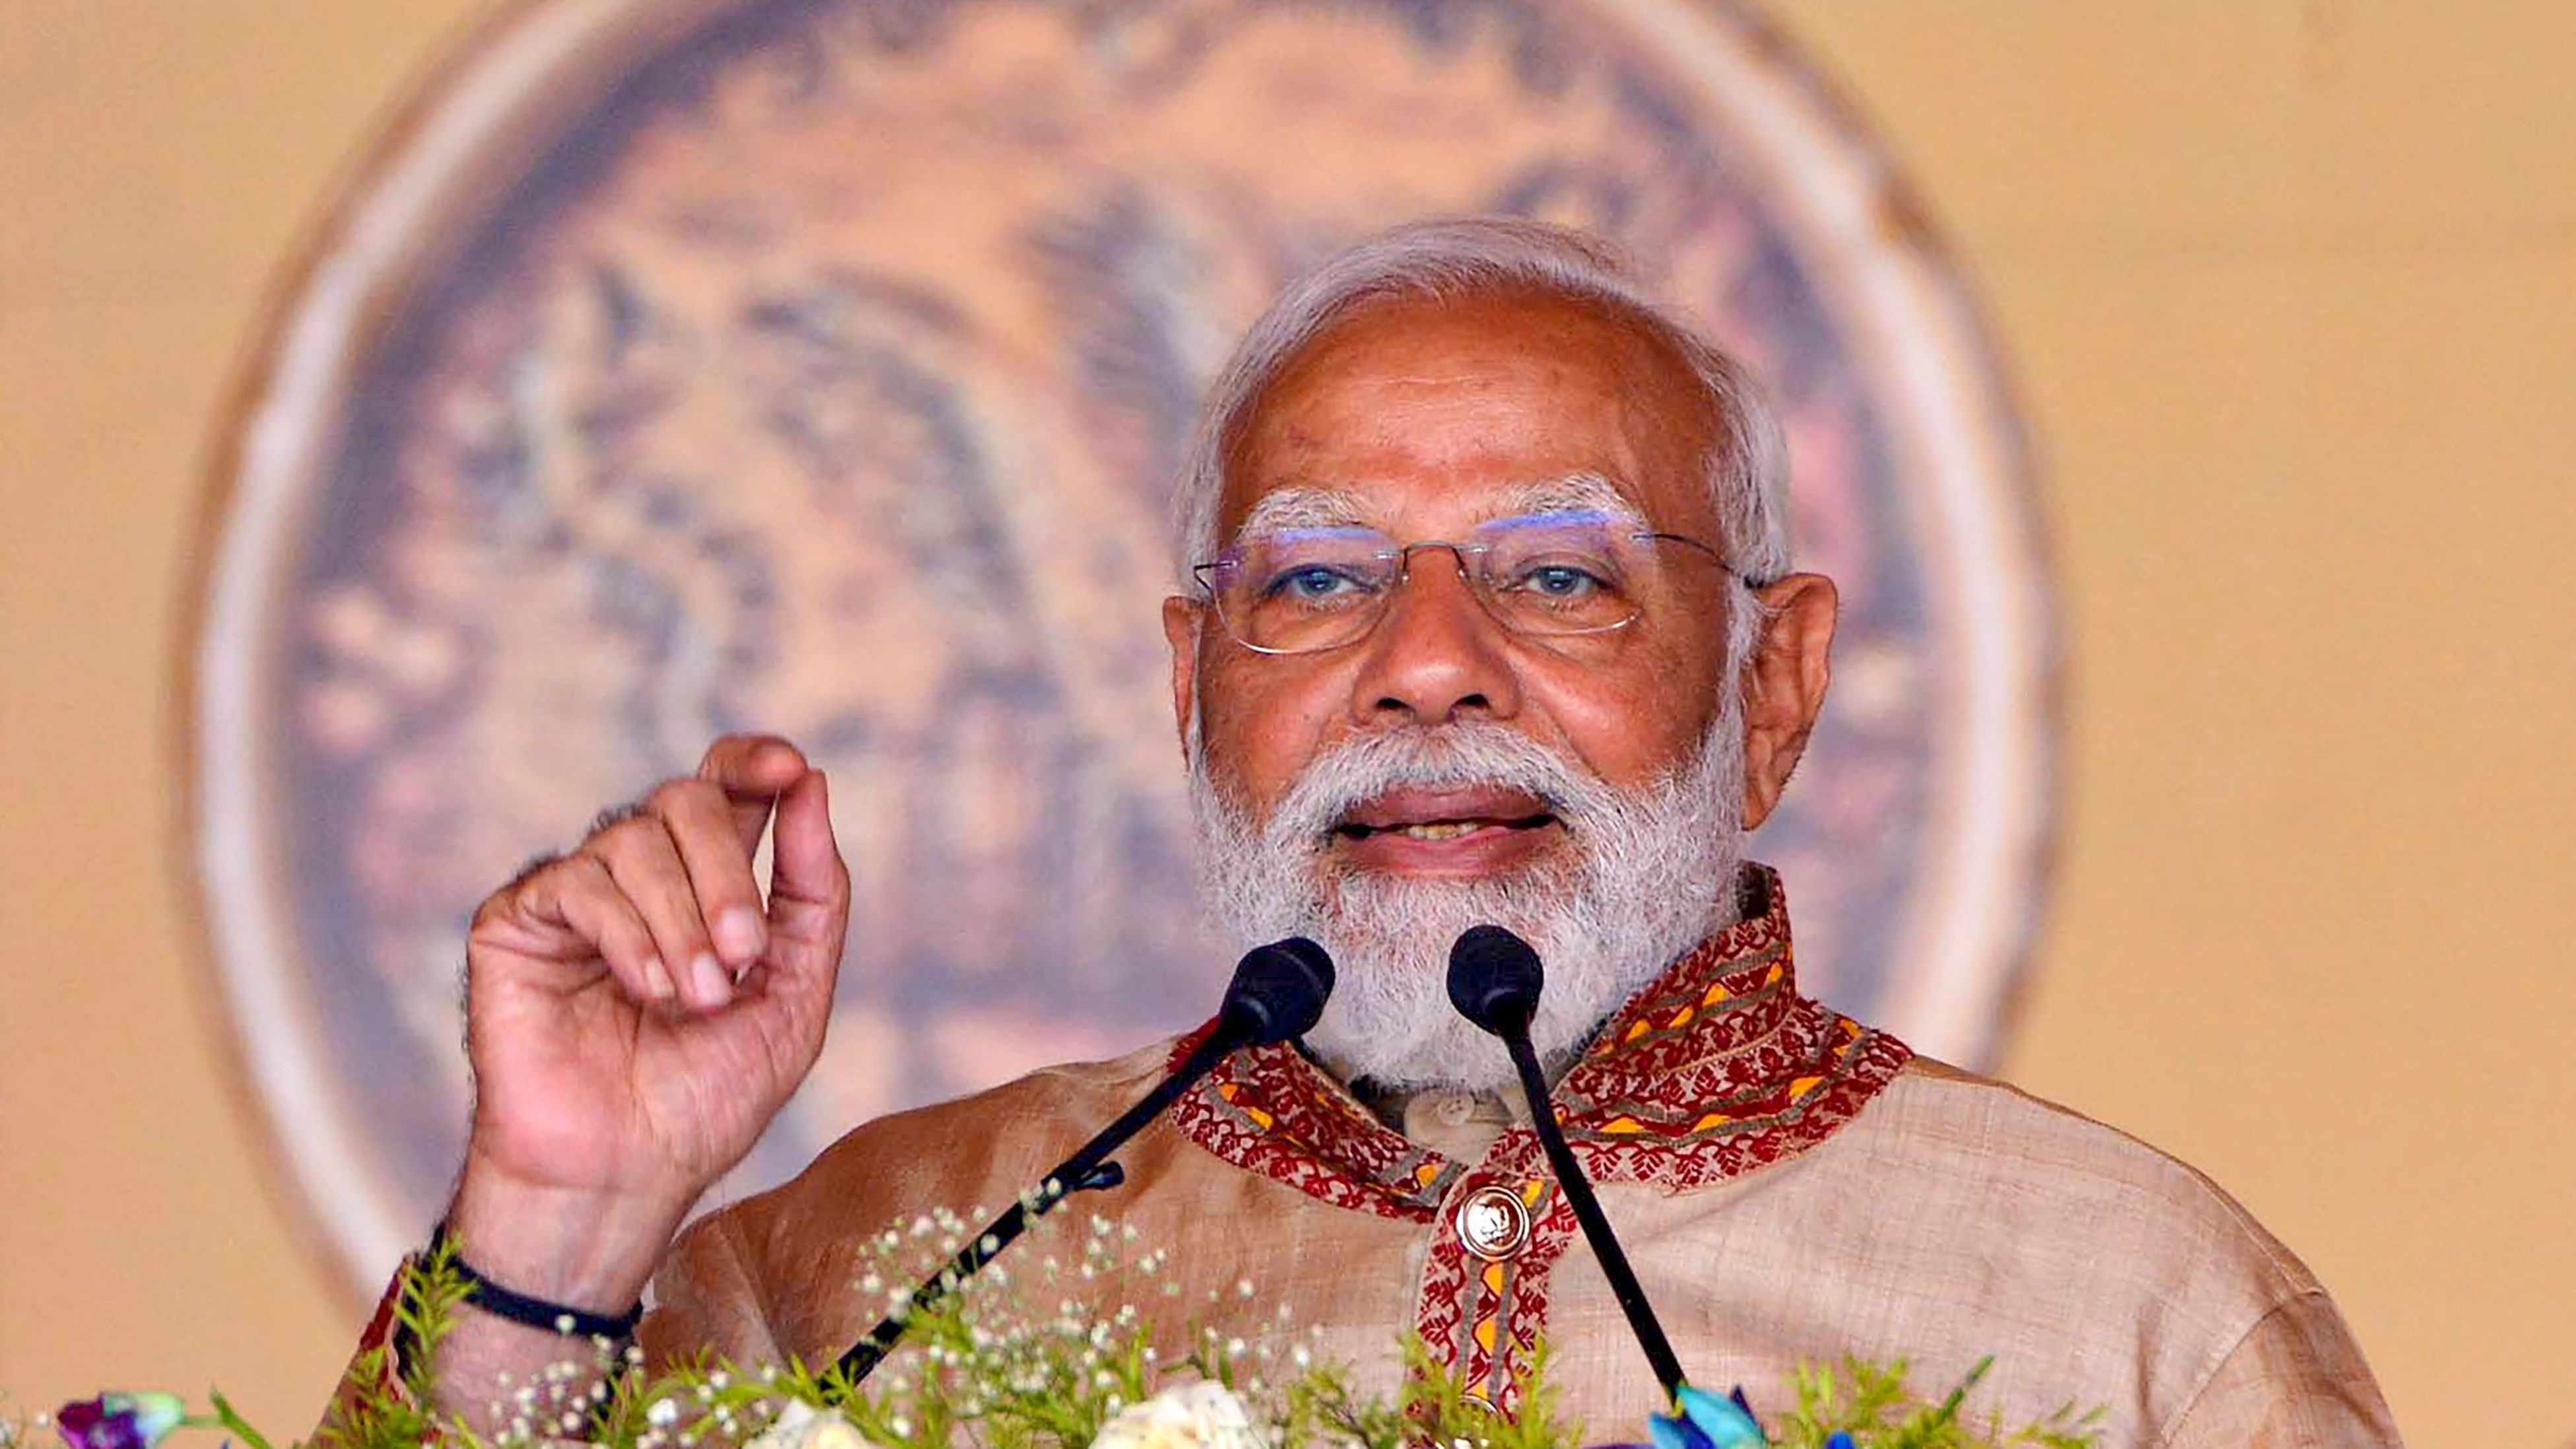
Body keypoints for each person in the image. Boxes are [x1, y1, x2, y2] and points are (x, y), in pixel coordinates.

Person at [329, 219, 2400, 1446]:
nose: (1426, 663)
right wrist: (559, 1217)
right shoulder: (859, 1275)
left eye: (1562, 574)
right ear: (1190, 685)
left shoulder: (2132, 1318)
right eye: (1314, 580)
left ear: (1772, 687)